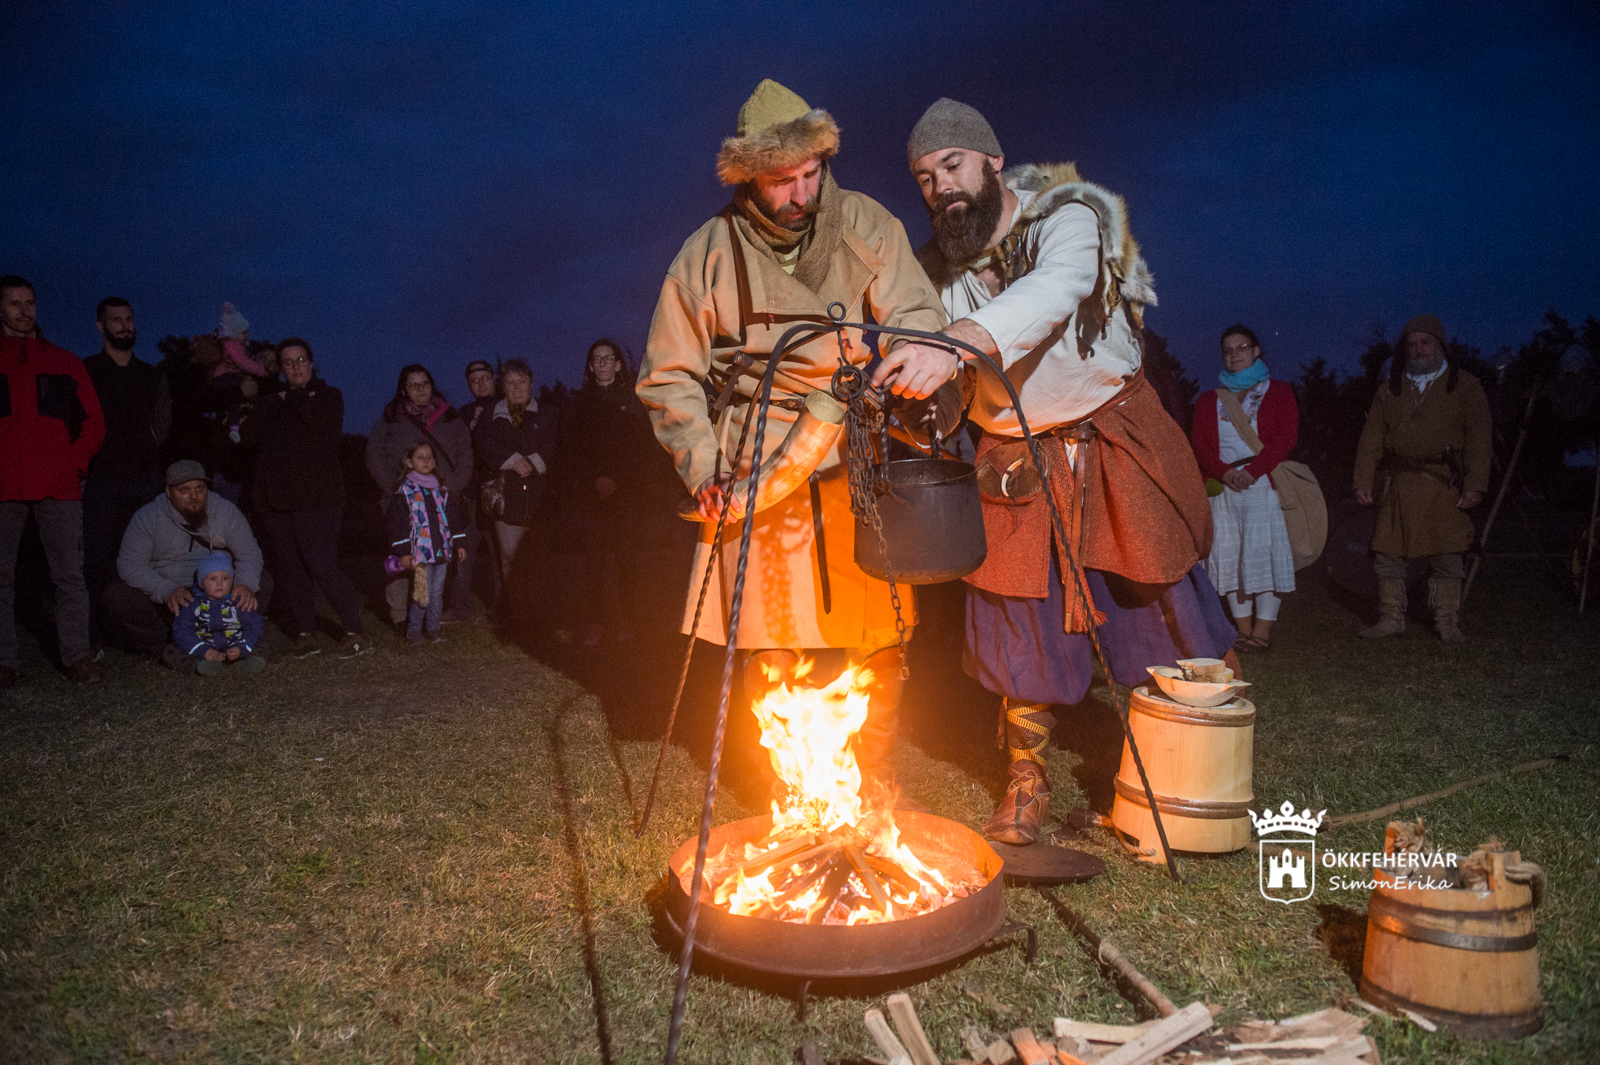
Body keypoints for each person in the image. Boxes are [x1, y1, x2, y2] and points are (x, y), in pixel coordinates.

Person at [895, 99, 1234, 844]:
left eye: (951, 166)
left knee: (1156, 595)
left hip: (1111, 433)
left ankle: (1180, 769)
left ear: (990, 159)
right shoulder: (931, 277)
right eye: (923, 177)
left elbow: (1056, 292)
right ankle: (1027, 781)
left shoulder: (1067, 216)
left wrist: (957, 342)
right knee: (1017, 616)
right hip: (1012, 457)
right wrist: (922, 406)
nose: (939, 187)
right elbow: (949, 387)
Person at [635, 80, 953, 802]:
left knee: (878, 627)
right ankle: (792, 787)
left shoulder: (866, 224)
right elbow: (668, 374)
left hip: (857, 449)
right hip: (755, 452)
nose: (803, 193)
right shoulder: (706, 253)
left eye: (813, 174)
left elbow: (914, 313)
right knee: (770, 635)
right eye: (784, 181)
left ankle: (870, 774)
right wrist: (705, 467)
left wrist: (910, 362)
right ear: (749, 177)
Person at [1352, 314, 1491, 642]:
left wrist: (1475, 485)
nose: (1418, 349)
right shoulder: (1391, 389)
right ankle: (1391, 618)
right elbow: (1371, 437)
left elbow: (1480, 438)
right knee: (1387, 552)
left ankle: (1447, 622)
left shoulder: (1466, 385)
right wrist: (1362, 479)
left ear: (1440, 344)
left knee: (1447, 553)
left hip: (1442, 483)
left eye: (1426, 342)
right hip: (1399, 482)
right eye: (1412, 344)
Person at [0, 275, 107, 686]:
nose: (25, 311)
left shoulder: (63, 362)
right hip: (4, 486)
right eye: (15, 304)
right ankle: (6, 661)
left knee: (68, 576)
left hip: (58, 485)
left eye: (30, 303)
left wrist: (74, 462)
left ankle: (77, 656)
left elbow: (93, 423)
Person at [241, 337, 369, 658]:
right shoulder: (271, 401)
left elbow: (322, 427)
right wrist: (261, 398)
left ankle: (356, 631)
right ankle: (305, 633)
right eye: (288, 362)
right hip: (277, 501)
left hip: (319, 498)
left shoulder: (329, 396)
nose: (296, 367)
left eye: (301, 360)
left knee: (321, 563)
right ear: (280, 368)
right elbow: (248, 438)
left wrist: (292, 398)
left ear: (311, 362)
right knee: (291, 568)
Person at [1190, 325, 1299, 652]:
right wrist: (1224, 473)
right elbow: (1200, 445)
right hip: (1223, 489)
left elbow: (1286, 438)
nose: (1235, 354)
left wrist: (1254, 471)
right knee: (1232, 557)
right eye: (1228, 350)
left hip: (1261, 483)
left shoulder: (1277, 391)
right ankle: (1243, 630)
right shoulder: (1209, 399)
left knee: (1263, 555)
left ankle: (1262, 632)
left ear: (1256, 351)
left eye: (1242, 347)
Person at [105, 459, 269, 669]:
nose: (194, 496)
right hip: (171, 598)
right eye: (184, 490)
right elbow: (129, 564)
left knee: (263, 581)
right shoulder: (147, 517)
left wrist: (245, 583)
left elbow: (249, 553)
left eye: (200, 488)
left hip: (220, 593)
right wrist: (164, 589)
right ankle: (165, 644)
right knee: (117, 596)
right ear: (168, 491)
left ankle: (233, 638)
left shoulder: (225, 511)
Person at [556, 339, 656, 646]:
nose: (601, 364)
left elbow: (642, 448)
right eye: (596, 359)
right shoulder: (578, 403)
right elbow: (571, 450)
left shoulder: (632, 400)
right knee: (594, 561)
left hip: (626, 494)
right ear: (589, 366)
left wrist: (618, 479)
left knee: (627, 559)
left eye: (607, 358)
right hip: (591, 495)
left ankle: (627, 621)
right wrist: (593, 480)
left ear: (617, 364)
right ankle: (597, 622)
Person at [81, 297, 173, 629]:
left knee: (151, 554)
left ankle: (153, 622)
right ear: (100, 326)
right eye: (117, 320)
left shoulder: (150, 375)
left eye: (129, 319)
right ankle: (94, 631)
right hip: (103, 478)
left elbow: (163, 423)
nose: (125, 325)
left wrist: (145, 442)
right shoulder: (86, 370)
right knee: (98, 555)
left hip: (146, 478)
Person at [366, 365, 473, 629]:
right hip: (403, 500)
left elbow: (466, 455)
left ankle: (432, 612)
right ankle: (401, 615)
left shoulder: (449, 417)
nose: (421, 389)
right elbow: (373, 454)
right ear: (404, 390)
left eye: (425, 383)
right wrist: (393, 488)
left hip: (441, 502)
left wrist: (453, 487)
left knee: (438, 557)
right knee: (403, 556)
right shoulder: (391, 418)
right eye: (414, 385)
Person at [472, 358, 556, 610]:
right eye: (510, 382)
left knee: (539, 557)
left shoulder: (549, 412)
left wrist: (533, 462)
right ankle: (517, 611)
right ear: (502, 385)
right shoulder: (489, 415)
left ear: (531, 382)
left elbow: (556, 444)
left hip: (539, 498)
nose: (517, 387)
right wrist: (511, 461)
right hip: (506, 498)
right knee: (509, 556)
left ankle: (540, 611)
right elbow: (482, 444)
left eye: (522, 381)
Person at [385, 442, 466, 644]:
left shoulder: (442, 491)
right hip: (419, 553)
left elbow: (453, 519)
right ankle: (413, 631)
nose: (426, 461)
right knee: (423, 591)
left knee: (437, 592)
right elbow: (397, 524)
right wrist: (404, 551)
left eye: (429, 457)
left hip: (441, 551)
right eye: (420, 457)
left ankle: (434, 629)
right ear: (409, 462)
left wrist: (459, 543)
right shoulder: (405, 492)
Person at [454, 358, 500, 619]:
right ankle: (459, 607)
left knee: (500, 553)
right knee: (464, 553)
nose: (480, 383)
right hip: (470, 494)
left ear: (493, 379)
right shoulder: (463, 413)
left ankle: (503, 606)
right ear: (468, 385)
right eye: (474, 380)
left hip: (499, 492)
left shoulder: (508, 407)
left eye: (484, 378)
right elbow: (458, 450)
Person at [171, 551, 266, 675]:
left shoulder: (237, 601)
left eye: (225, 578)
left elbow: (254, 625)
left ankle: (246, 662)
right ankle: (201, 666)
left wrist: (241, 648)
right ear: (201, 582)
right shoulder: (192, 604)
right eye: (213, 579)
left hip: (236, 644)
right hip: (203, 646)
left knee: (263, 643)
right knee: (171, 651)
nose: (220, 583)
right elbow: (182, 630)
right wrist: (204, 651)